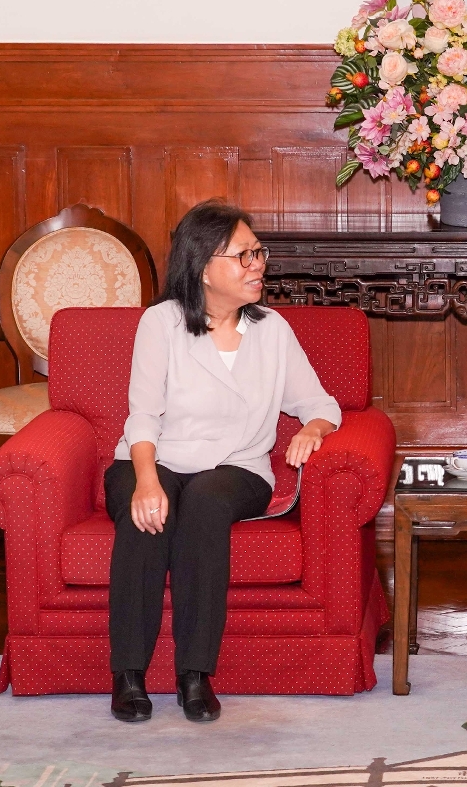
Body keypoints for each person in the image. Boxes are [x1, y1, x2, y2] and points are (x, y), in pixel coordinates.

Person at [105, 200, 341, 723]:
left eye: (259, 253)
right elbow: (142, 415)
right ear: (203, 267)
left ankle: (195, 674)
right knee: (149, 515)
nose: (258, 265)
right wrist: (146, 481)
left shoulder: (272, 330)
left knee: (206, 504)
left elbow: (320, 404)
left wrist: (313, 429)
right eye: (243, 256)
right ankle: (128, 675)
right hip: (155, 456)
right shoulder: (161, 323)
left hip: (238, 466)